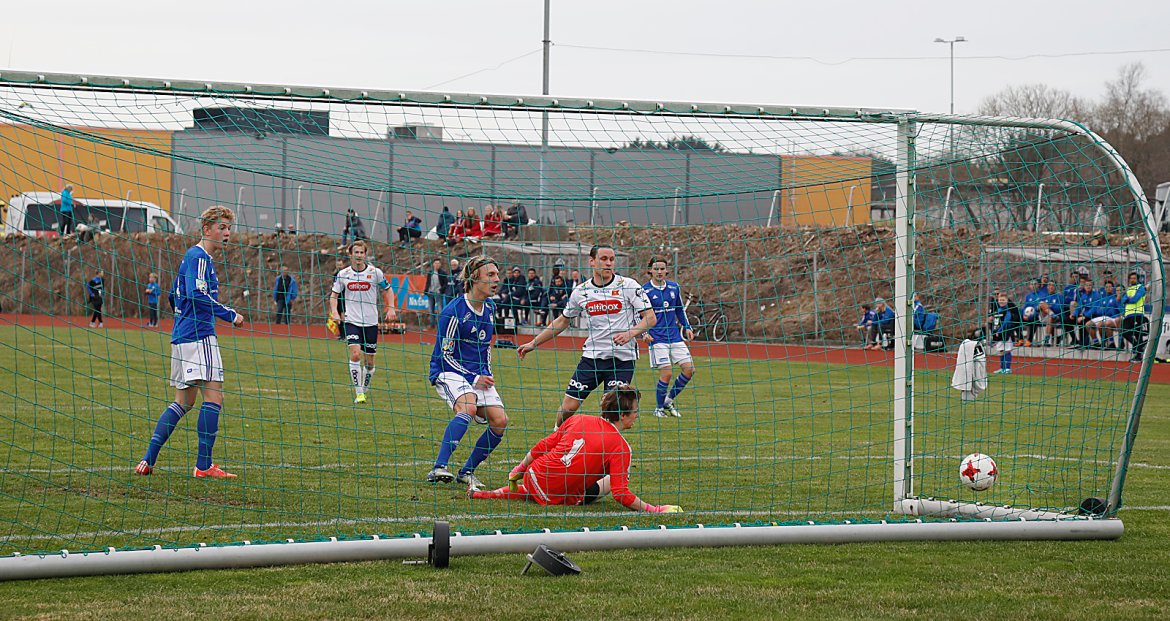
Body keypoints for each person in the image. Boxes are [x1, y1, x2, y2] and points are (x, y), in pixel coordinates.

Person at [135, 205, 246, 478]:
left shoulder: (192, 258)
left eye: (229, 228)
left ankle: (148, 460)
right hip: (199, 336)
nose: (227, 233)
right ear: (206, 229)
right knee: (215, 396)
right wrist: (230, 315)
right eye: (222, 228)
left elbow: (174, 294)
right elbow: (197, 295)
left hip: (182, 336)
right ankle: (204, 465)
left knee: (183, 402)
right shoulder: (199, 257)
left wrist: (180, 313)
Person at [470, 385, 682, 513]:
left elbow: (544, 445)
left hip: (534, 475)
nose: (637, 415)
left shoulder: (578, 418)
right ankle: (566, 491)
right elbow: (620, 494)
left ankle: (488, 494)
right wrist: (655, 509)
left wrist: (520, 469)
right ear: (623, 415)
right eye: (635, 411)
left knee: (543, 480)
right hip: (556, 495)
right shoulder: (622, 447)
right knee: (611, 480)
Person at [518, 244, 656, 427]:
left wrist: (630, 333)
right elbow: (562, 321)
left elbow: (650, 317)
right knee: (569, 407)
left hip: (622, 359)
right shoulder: (581, 291)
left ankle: (603, 452)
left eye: (612, 259)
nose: (608, 263)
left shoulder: (628, 285)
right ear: (591, 261)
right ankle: (556, 438)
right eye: (604, 259)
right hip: (592, 357)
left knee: (611, 410)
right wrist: (533, 343)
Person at [426, 256, 506, 491]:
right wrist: (473, 378)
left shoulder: (490, 307)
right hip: (447, 370)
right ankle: (438, 467)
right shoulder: (453, 311)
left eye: (497, 274)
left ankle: (466, 472)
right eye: (490, 275)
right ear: (473, 278)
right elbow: (444, 355)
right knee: (469, 408)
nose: (497, 279)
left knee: (500, 421)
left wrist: (486, 374)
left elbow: (485, 348)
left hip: (477, 373)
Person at [329, 240, 398, 404]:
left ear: (365, 254)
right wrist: (335, 312)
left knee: (369, 362)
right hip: (352, 321)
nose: (359, 255)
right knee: (355, 354)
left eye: (362, 252)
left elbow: (388, 290)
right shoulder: (343, 274)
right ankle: (359, 393)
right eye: (356, 252)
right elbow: (333, 295)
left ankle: (364, 389)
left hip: (371, 322)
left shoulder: (375, 273)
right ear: (350, 254)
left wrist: (391, 308)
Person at [642, 256, 695, 419]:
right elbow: (639, 313)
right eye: (656, 268)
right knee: (667, 373)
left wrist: (686, 327)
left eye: (662, 268)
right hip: (657, 338)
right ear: (650, 270)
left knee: (689, 370)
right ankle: (658, 409)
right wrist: (644, 332)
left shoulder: (674, 287)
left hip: (674, 337)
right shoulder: (645, 290)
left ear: (666, 270)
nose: (659, 272)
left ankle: (668, 400)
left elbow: (679, 310)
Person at [1120, 271, 1148, 362]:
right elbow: (1123, 300)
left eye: (1134, 278)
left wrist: (1128, 299)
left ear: (1138, 279)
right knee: (1124, 332)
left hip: (1138, 313)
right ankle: (1138, 347)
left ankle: (1138, 356)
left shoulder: (1141, 288)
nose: (1132, 280)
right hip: (1128, 315)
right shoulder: (1128, 289)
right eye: (1131, 278)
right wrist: (1128, 299)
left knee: (1137, 334)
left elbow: (1134, 300)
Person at [1086, 281, 1122, 349]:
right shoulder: (1102, 298)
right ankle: (1096, 342)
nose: (1108, 288)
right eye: (1107, 287)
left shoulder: (1115, 297)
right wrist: (1105, 310)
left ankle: (1110, 343)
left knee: (1101, 324)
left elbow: (1113, 310)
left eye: (1110, 287)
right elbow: (1098, 311)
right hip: (1103, 316)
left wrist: (1105, 310)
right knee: (1088, 324)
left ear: (1113, 288)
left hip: (1112, 317)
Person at [988, 292, 1015, 374]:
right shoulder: (997, 310)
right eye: (1000, 300)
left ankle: (1007, 368)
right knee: (1001, 351)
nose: (1001, 301)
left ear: (1006, 301)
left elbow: (1006, 322)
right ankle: (1002, 368)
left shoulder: (1007, 311)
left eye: (1003, 300)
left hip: (1005, 332)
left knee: (1007, 350)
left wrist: (1000, 331)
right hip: (997, 333)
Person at [425, 258, 448, 328]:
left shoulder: (443, 273)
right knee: (431, 310)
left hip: (438, 293)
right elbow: (428, 282)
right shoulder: (430, 272)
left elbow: (446, 284)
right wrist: (426, 291)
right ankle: (432, 325)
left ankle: (440, 325)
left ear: (440, 265)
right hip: (430, 293)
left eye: (438, 263)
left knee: (440, 310)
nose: (437, 265)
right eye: (435, 263)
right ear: (433, 264)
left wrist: (440, 290)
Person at [331, 256, 348, 340]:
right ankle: (341, 335)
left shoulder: (345, 274)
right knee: (337, 316)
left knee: (343, 316)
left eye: (341, 265)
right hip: (337, 298)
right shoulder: (335, 274)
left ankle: (346, 335)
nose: (339, 266)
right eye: (338, 265)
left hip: (344, 298)